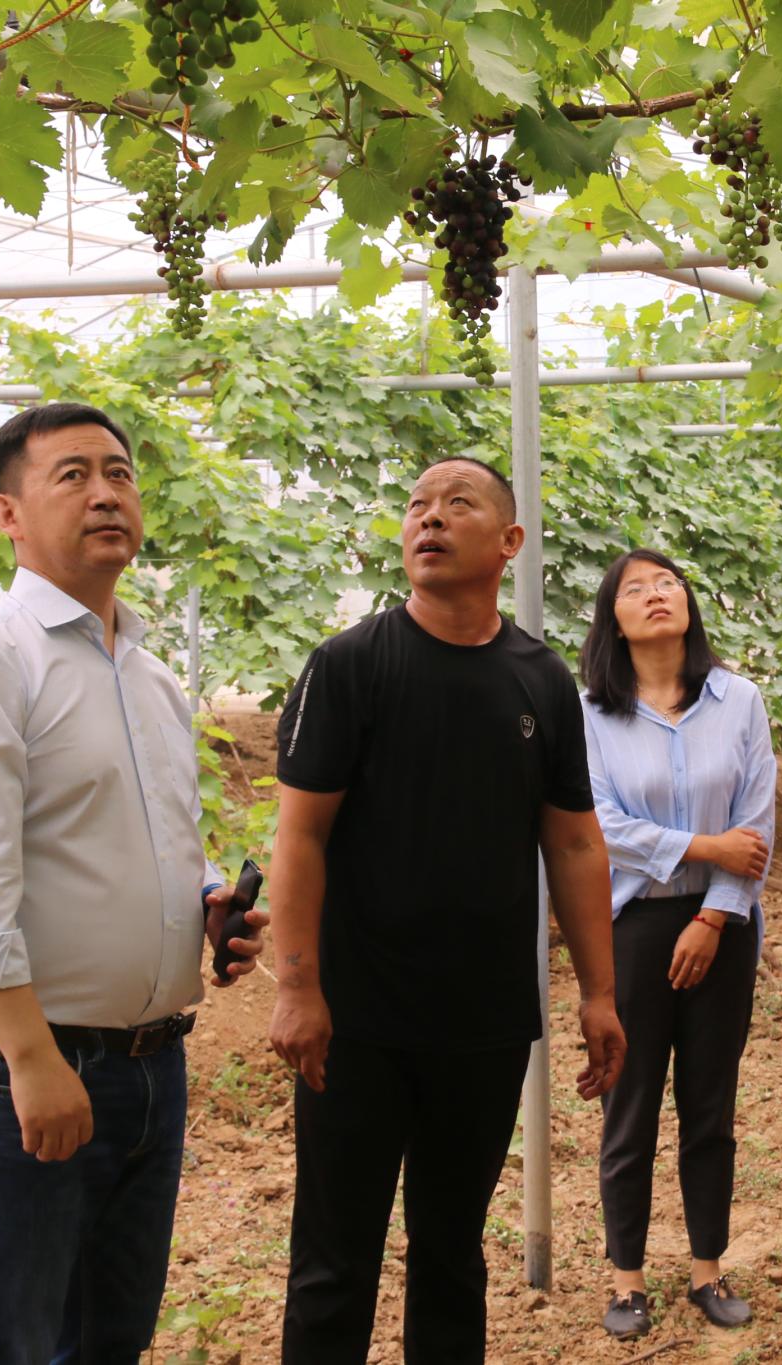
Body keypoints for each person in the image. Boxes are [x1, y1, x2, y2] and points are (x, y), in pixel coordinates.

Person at [0, 402, 268, 1363]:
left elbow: (156, 837)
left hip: (152, 1066)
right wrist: (30, 1058)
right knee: (9, 1344)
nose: (106, 493)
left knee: (110, 1338)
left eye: (119, 473)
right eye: (72, 475)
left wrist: (204, 903)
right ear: (7, 514)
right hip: (32, 1063)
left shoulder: (149, 676)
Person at [267, 456, 628, 1364]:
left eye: (457, 504)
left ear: (508, 542)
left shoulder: (539, 678)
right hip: (357, 1022)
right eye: (417, 506)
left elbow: (575, 844)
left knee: (453, 1254)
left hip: (484, 1022)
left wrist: (599, 993)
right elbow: (299, 836)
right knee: (333, 1260)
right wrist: (298, 988)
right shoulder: (351, 664)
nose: (429, 518)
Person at [581, 549, 776, 1339]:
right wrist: (704, 846)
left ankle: (707, 1269)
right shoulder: (590, 714)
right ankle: (626, 1278)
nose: (656, 594)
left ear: (689, 604)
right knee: (629, 1105)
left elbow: (756, 824)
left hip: (723, 925)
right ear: (614, 618)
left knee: (710, 1103)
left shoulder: (740, 700)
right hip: (633, 928)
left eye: (668, 582)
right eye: (635, 588)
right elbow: (601, 826)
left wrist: (715, 914)